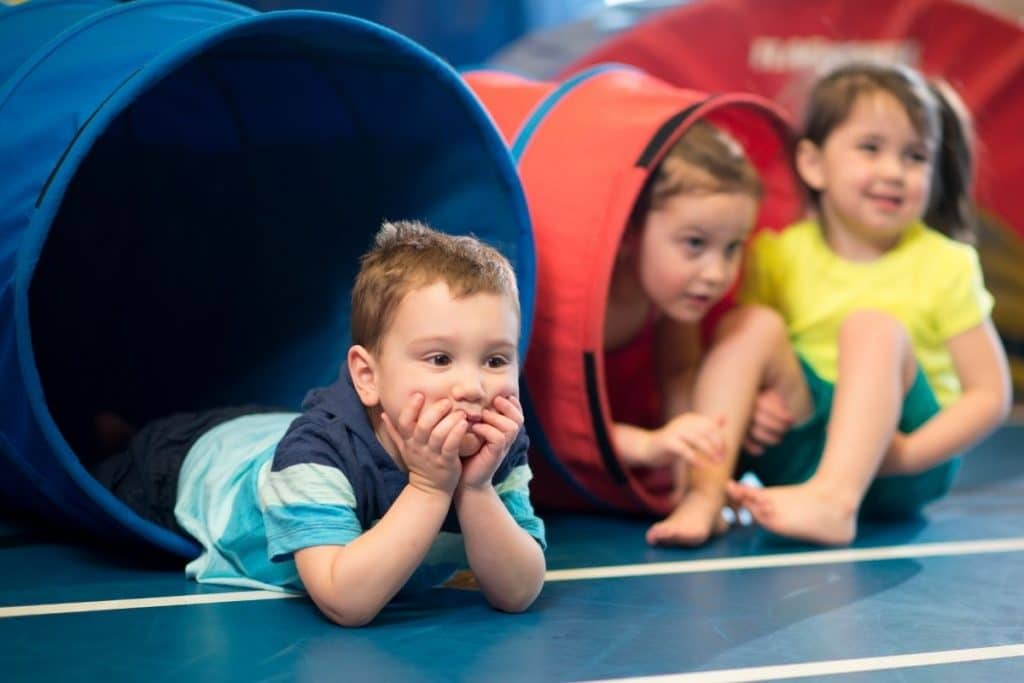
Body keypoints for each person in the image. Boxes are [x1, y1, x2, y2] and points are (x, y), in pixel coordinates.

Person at [92, 220, 546, 625]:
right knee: (116, 466)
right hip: (193, 465)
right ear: (367, 377)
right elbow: (344, 599)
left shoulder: (496, 444)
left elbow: (517, 592)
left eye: (495, 360)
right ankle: (125, 435)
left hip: (268, 428)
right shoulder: (318, 454)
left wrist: (475, 489)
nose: (473, 387)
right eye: (440, 359)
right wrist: (429, 487)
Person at [709, 61, 1011, 545]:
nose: (893, 172)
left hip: (899, 459)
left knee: (871, 327)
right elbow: (760, 357)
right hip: (806, 447)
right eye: (870, 148)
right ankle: (704, 493)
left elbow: (990, 395)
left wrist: (910, 453)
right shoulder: (777, 255)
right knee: (749, 324)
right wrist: (760, 403)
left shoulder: (945, 264)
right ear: (813, 164)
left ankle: (835, 500)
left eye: (915, 156)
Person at [601, 119, 764, 546]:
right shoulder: (590, 300)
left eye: (732, 248)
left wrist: (688, 477)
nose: (717, 274)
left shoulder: (672, 300)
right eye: (694, 243)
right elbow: (550, 425)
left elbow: (679, 375)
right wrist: (647, 445)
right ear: (630, 231)